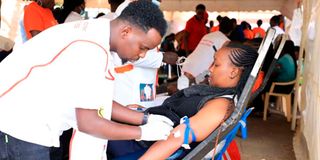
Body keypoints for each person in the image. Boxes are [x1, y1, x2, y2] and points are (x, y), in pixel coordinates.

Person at [0, 1, 173, 160]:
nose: (142, 55)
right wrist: (142, 132)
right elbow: (89, 123)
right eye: (143, 48)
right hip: (18, 123)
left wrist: (145, 119)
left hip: (33, 122)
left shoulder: (100, 35)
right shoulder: (92, 48)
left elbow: (99, 101)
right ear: (126, 32)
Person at [107, 42, 258, 159]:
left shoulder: (220, 106)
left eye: (216, 64)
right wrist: (145, 112)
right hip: (143, 131)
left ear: (234, 72)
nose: (210, 69)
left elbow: (176, 139)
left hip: (139, 144)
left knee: (89, 126)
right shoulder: (214, 93)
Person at [181, 16, 232, 85]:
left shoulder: (208, 35)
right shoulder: (226, 41)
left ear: (219, 26)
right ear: (231, 31)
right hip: (199, 73)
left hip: (186, 66)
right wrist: (201, 78)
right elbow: (216, 64)